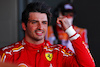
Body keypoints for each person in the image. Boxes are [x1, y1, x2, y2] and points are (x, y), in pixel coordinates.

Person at [0, 2, 95, 67]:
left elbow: (88, 65)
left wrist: (70, 30)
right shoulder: (7, 54)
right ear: (24, 26)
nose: (40, 27)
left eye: (44, 23)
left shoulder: (59, 52)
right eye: (34, 22)